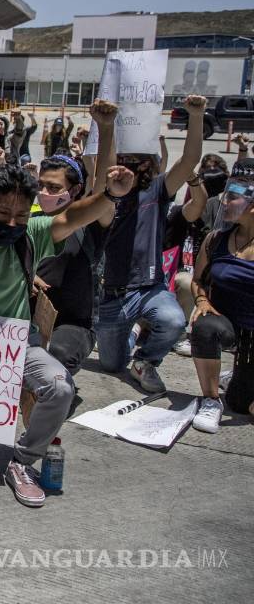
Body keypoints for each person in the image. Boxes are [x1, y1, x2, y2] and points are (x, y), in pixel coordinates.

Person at [0, 162, 136, 508]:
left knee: (60, 387)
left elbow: (71, 218)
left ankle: (21, 460)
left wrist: (109, 195)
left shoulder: (30, 236)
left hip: (20, 345)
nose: (12, 223)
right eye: (3, 213)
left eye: (21, 214)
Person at [95, 94, 207, 393]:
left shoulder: (157, 191)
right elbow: (103, 171)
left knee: (173, 320)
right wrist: (106, 127)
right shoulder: (107, 198)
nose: (133, 168)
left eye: (140, 162)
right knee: (110, 364)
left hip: (149, 288)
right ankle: (132, 333)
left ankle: (146, 360)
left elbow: (189, 161)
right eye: (126, 162)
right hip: (113, 295)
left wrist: (195, 117)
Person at [30, 101, 119, 376]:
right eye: (41, 185)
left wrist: (105, 129)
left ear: (76, 190)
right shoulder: (30, 222)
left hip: (73, 323)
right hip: (29, 317)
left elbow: (106, 188)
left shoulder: (90, 224)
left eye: (54, 187)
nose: (45, 192)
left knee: (56, 357)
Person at [188, 158, 254, 432]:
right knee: (204, 327)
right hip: (225, 322)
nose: (225, 203)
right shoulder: (215, 239)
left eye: (234, 198)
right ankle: (211, 399)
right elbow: (197, 280)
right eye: (226, 196)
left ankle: (235, 377)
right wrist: (201, 300)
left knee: (243, 404)